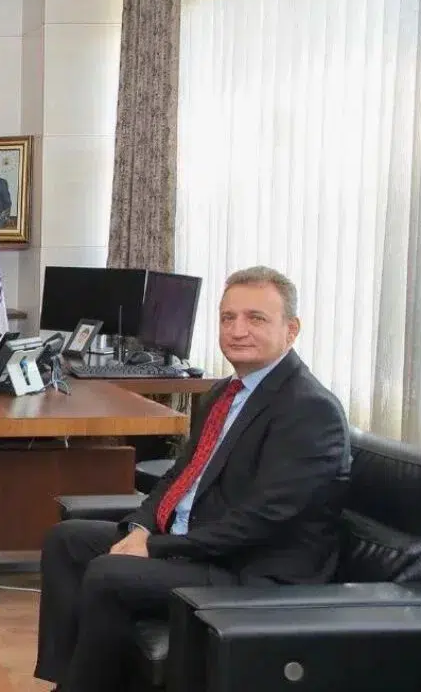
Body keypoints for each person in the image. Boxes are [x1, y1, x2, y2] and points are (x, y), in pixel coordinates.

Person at [33, 266, 350, 692]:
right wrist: (142, 527)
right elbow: (180, 475)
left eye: (255, 319)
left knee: (110, 572)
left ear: (291, 330)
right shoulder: (225, 392)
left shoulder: (309, 410)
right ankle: (65, 680)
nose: (237, 330)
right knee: (67, 541)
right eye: (227, 318)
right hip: (200, 546)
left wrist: (156, 548)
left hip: (253, 571)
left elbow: (261, 521)